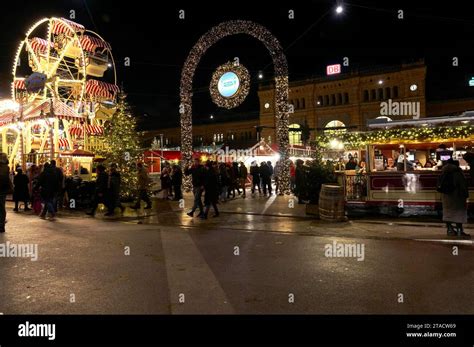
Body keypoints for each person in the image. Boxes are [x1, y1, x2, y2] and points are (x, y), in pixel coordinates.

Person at [438, 159, 470, 238]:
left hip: (446, 196)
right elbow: (462, 185)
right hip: (457, 196)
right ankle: (459, 230)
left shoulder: (443, 172)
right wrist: (466, 195)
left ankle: (450, 229)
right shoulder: (458, 173)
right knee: (459, 213)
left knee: (448, 213)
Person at [0, 153, 12, 232]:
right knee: (2, 207)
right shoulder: (7, 167)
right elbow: (7, 179)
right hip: (3, 190)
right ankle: (1, 225)